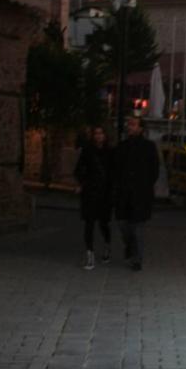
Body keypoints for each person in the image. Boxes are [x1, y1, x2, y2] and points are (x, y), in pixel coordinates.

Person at [114, 116, 159, 271]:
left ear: (141, 128)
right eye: (129, 124)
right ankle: (130, 246)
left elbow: (154, 171)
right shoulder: (122, 146)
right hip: (123, 195)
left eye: (133, 124)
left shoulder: (149, 147)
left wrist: (145, 186)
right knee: (123, 225)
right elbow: (116, 169)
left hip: (140, 195)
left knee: (137, 228)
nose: (129, 127)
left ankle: (137, 259)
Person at [73, 126, 114, 270]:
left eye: (101, 133)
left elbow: (114, 172)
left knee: (103, 223)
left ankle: (107, 245)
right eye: (96, 134)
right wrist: (82, 183)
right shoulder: (87, 151)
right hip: (90, 192)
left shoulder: (110, 152)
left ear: (105, 136)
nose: (98, 136)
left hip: (104, 193)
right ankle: (89, 254)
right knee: (89, 224)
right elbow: (78, 170)